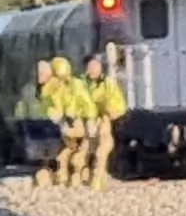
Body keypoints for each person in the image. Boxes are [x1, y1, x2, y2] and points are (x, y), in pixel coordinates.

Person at [82, 54, 127, 191]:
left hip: (105, 122)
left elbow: (117, 105)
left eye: (96, 66)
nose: (94, 69)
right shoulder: (82, 85)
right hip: (87, 123)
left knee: (101, 150)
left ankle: (98, 178)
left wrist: (106, 110)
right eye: (91, 67)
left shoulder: (108, 83)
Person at [49, 55, 96, 187]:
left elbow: (87, 104)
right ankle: (64, 178)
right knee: (63, 156)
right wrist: (59, 120)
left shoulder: (77, 84)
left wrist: (90, 122)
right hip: (68, 125)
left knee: (79, 156)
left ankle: (79, 176)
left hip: (80, 121)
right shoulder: (57, 89)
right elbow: (56, 107)